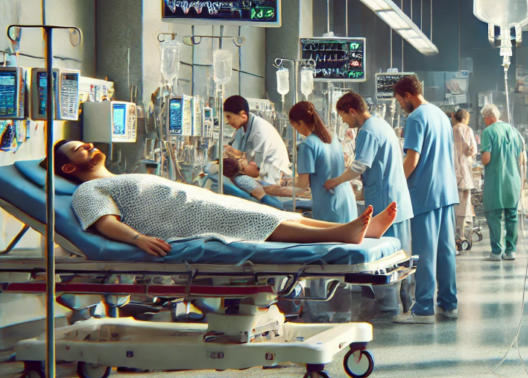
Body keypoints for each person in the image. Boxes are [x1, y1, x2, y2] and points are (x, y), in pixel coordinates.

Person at [46, 141, 398, 257]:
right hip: (183, 220)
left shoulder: (120, 175)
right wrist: (139, 239)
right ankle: (342, 234)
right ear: (68, 166)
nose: (90, 146)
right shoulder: (86, 190)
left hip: (193, 203)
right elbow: (103, 222)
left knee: (267, 214)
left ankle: (354, 230)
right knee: (260, 221)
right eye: (80, 149)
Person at [325, 92, 415, 317]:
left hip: (385, 202)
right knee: (401, 255)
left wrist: (334, 181)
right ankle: (406, 299)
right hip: (396, 199)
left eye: (343, 116)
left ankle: (389, 306)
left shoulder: (368, 131)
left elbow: (359, 167)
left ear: (352, 111)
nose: (344, 121)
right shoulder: (381, 125)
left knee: (386, 257)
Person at [393, 76, 459, 324]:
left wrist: (395, 184)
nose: (401, 106)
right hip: (446, 191)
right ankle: (448, 304)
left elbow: (412, 161)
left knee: (425, 252)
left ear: (408, 95)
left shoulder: (416, 117)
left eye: (400, 100)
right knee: (445, 251)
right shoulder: (441, 116)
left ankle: (423, 309)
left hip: (425, 192)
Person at [480, 104, 524, 261]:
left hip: (496, 180)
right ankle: (511, 251)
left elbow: (487, 158)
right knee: (512, 215)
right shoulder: (513, 131)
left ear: (489, 118)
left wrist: (481, 160)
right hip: (512, 180)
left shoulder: (488, 132)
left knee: (494, 215)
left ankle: (496, 251)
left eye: (484, 118)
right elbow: (521, 157)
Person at [222, 96, 291, 185]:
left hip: (272, 170)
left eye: (229, 117)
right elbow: (236, 149)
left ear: (243, 115)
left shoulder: (260, 132)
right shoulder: (243, 127)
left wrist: (240, 166)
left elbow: (256, 171)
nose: (228, 121)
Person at [451, 109, 477, 251]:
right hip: (465, 174)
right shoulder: (468, 130)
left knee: (454, 207)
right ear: (466, 118)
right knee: (464, 206)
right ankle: (461, 235)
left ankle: (454, 236)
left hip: (452, 174)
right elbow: (472, 150)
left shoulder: (451, 131)